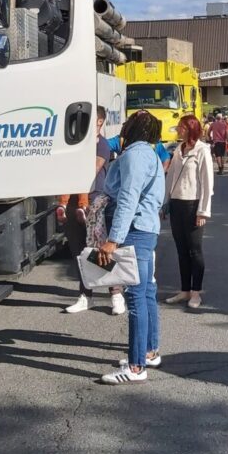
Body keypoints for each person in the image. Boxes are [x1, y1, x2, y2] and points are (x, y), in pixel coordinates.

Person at [99, 111, 165, 384]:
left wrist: (113, 239)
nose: (123, 126)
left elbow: (127, 198)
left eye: (127, 122)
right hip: (147, 228)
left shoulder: (135, 155)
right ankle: (149, 352)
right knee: (147, 292)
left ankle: (136, 367)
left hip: (135, 230)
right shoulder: (150, 153)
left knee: (136, 297)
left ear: (134, 128)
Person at [63, 106, 125, 315]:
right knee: (79, 251)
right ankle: (85, 295)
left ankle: (116, 294)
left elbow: (91, 170)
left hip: (95, 202)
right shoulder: (74, 144)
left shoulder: (102, 145)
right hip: (73, 202)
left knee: (101, 250)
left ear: (99, 122)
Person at [163, 115, 214, 309]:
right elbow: (171, 177)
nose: (178, 129)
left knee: (195, 250)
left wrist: (203, 211)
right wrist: (165, 202)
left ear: (191, 129)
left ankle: (196, 292)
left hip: (193, 205)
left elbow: (207, 183)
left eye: (181, 127)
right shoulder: (179, 149)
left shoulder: (202, 150)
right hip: (177, 204)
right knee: (181, 250)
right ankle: (184, 290)